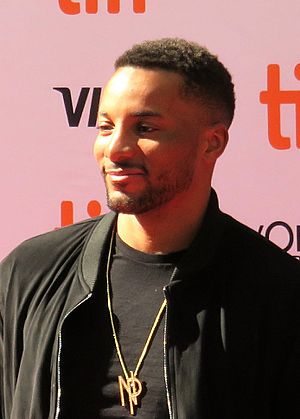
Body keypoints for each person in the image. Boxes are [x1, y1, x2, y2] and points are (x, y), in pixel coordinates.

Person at [1, 38, 300, 419]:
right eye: (106, 126)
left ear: (212, 144)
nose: (116, 149)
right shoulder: (28, 272)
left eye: (144, 127)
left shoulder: (278, 296)